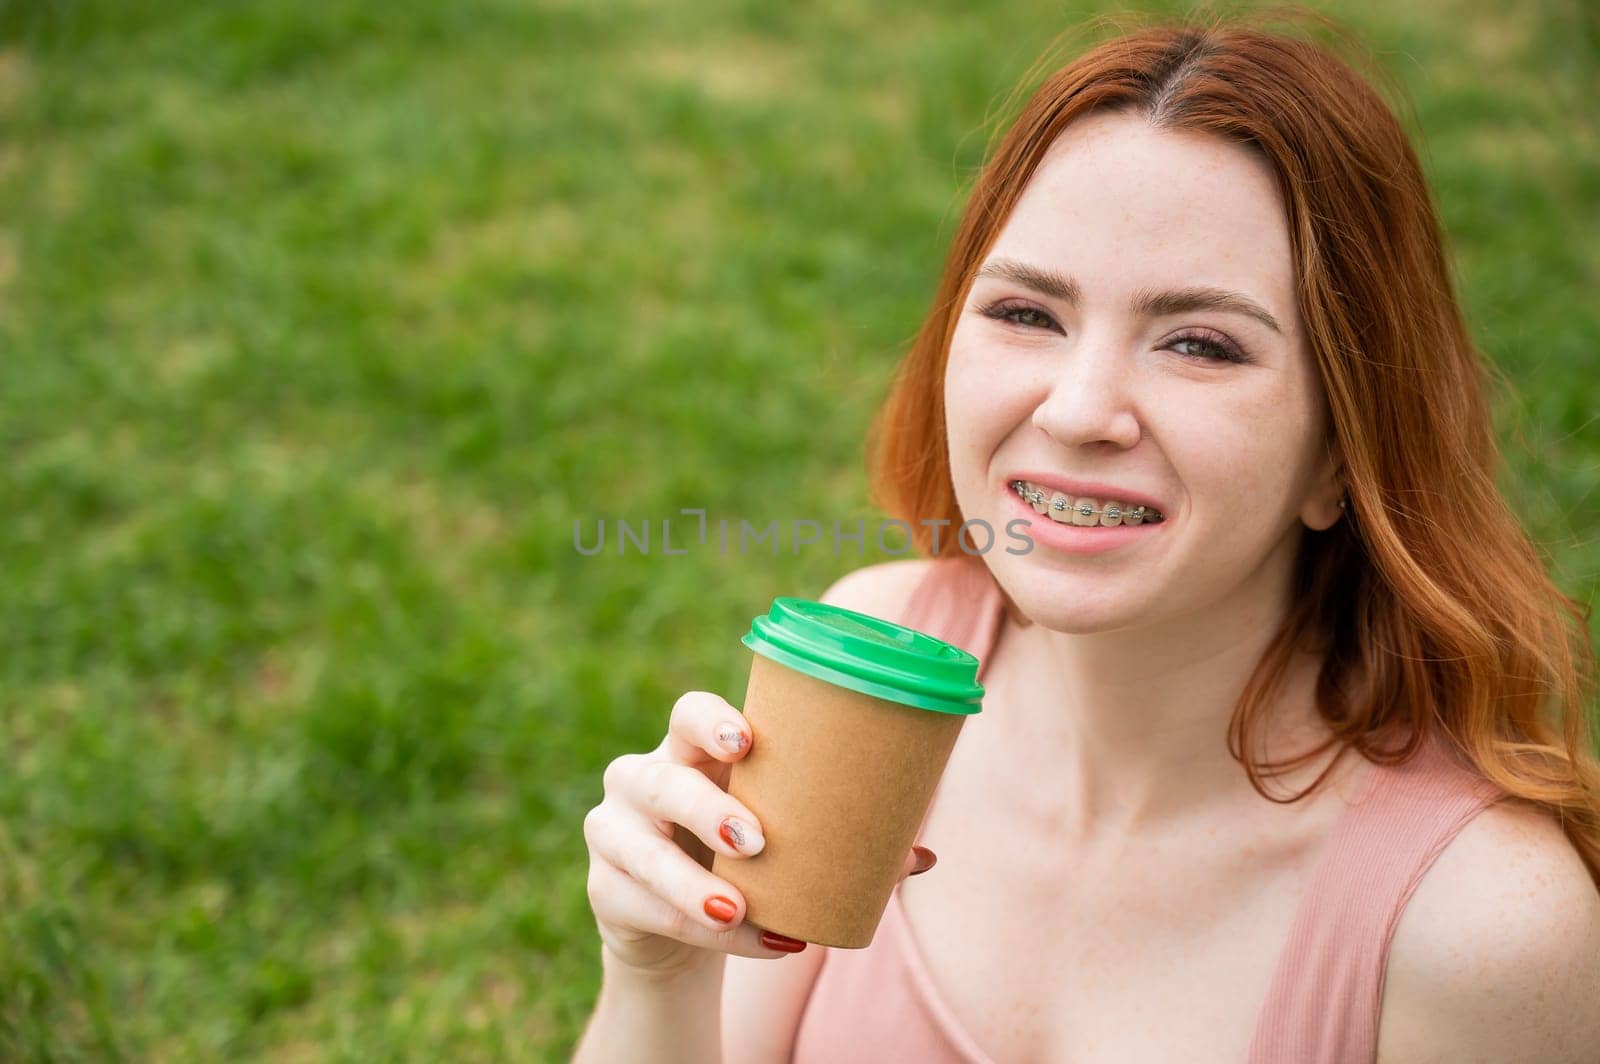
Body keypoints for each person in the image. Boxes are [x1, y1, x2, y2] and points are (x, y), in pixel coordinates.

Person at [575, 10, 1600, 1062]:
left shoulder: (1482, 927)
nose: (1076, 409)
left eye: (1199, 343)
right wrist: (656, 971)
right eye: (1027, 312)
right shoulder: (870, 665)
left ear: (1344, 452)